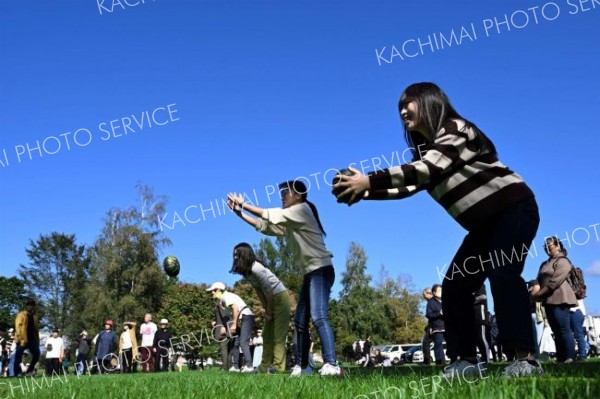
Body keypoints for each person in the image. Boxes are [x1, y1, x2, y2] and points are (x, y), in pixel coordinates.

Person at [333, 82, 542, 377]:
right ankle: (465, 362)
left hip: (513, 209)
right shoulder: (426, 154)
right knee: (455, 284)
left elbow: (426, 170)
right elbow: (409, 184)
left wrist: (368, 180)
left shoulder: (454, 128)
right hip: (483, 226)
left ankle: (525, 359)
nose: (403, 110)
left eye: (409, 102)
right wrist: (365, 192)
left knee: (503, 273)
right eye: (399, 107)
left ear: (431, 101)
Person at [227, 180, 340, 376]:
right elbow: (265, 226)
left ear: (299, 196)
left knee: (318, 315)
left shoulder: (302, 210)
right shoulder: (292, 222)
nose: (282, 196)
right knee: (300, 321)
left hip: (321, 270)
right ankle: (304, 366)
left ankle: (331, 363)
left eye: (286, 193)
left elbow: (268, 215)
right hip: (310, 273)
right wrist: (240, 214)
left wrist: (243, 204)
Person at [229, 242, 291, 373]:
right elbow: (259, 291)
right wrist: (266, 309)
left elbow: (269, 292)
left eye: (237, 255)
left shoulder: (257, 269)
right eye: (234, 255)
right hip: (270, 300)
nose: (234, 257)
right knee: (266, 334)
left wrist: (269, 311)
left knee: (279, 335)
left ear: (245, 255)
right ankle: (264, 366)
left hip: (280, 298)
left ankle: (278, 368)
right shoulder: (248, 272)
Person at [531, 236, 577, 362]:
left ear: (557, 246)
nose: (547, 248)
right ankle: (561, 357)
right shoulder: (544, 263)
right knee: (556, 330)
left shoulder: (563, 261)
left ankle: (569, 357)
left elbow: (554, 282)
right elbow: (538, 279)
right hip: (548, 300)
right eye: (545, 246)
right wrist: (535, 288)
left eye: (549, 245)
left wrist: (539, 294)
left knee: (564, 329)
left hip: (561, 298)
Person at [207, 282, 255, 373]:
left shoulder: (226, 296)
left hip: (246, 317)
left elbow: (235, 308)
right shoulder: (222, 300)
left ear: (218, 290)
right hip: (241, 319)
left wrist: (233, 325)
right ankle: (235, 367)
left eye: (213, 291)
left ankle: (249, 366)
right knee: (235, 344)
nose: (211, 293)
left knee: (243, 342)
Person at [13, 299, 41, 377]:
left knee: (37, 354)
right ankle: (17, 373)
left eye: (31, 305)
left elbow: (36, 328)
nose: (29, 306)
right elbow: (18, 326)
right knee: (18, 356)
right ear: (26, 306)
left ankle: (29, 370)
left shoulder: (35, 316)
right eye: (28, 304)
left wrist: (37, 339)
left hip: (32, 339)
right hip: (22, 339)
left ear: (33, 306)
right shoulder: (21, 314)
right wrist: (19, 338)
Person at [426, 285, 445, 365]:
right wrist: (439, 313)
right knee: (438, 344)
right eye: (439, 290)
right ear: (434, 292)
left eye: (442, 290)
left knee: (452, 343)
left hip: (448, 326)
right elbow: (429, 315)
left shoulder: (446, 300)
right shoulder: (431, 302)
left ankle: (454, 358)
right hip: (437, 326)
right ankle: (440, 361)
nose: (441, 292)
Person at [212, 298, 233, 371]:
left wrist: (224, 326)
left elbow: (224, 316)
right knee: (229, 349)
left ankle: (224, 368)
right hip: (230, 330)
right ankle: (229, 367)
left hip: (223, 330)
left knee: (224, 349)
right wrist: (216, 321)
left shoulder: (220, 303)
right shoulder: (228, 305)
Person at [473, 285, 491, 363]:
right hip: (473, 317)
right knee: (477, 339)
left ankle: (486, 358)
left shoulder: (479, 284)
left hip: (481, 315)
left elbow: (483, 296)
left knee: (482, 337)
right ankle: (483, 357)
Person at [421, 288, 434, 365]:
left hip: (434, 325)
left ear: (429, 293)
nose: (423, 297)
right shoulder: (435, 301)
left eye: (424, 295)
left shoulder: (431, 302)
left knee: (426, 342)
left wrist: (431, 327)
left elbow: (431, 316)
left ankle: (427, 360)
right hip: (434, 325)